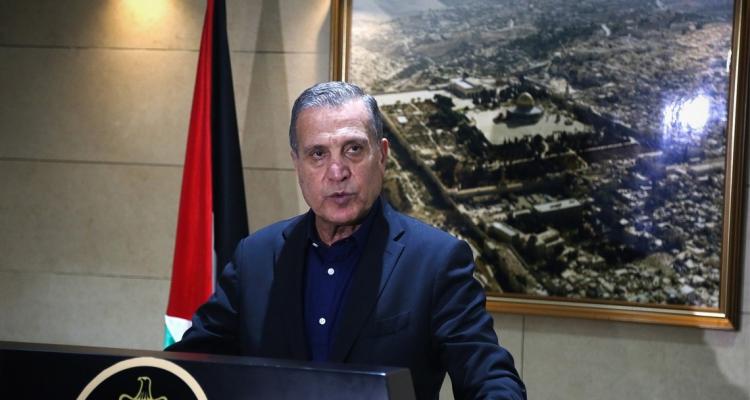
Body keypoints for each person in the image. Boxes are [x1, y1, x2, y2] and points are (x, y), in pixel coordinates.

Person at [167, 81, 527, 400]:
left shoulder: (437, 261)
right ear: (297, 163)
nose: (337, 172)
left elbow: (489, 377)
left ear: (382, 155)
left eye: (353, 149)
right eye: (318, 154)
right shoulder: (255, 257)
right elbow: (188, 367)